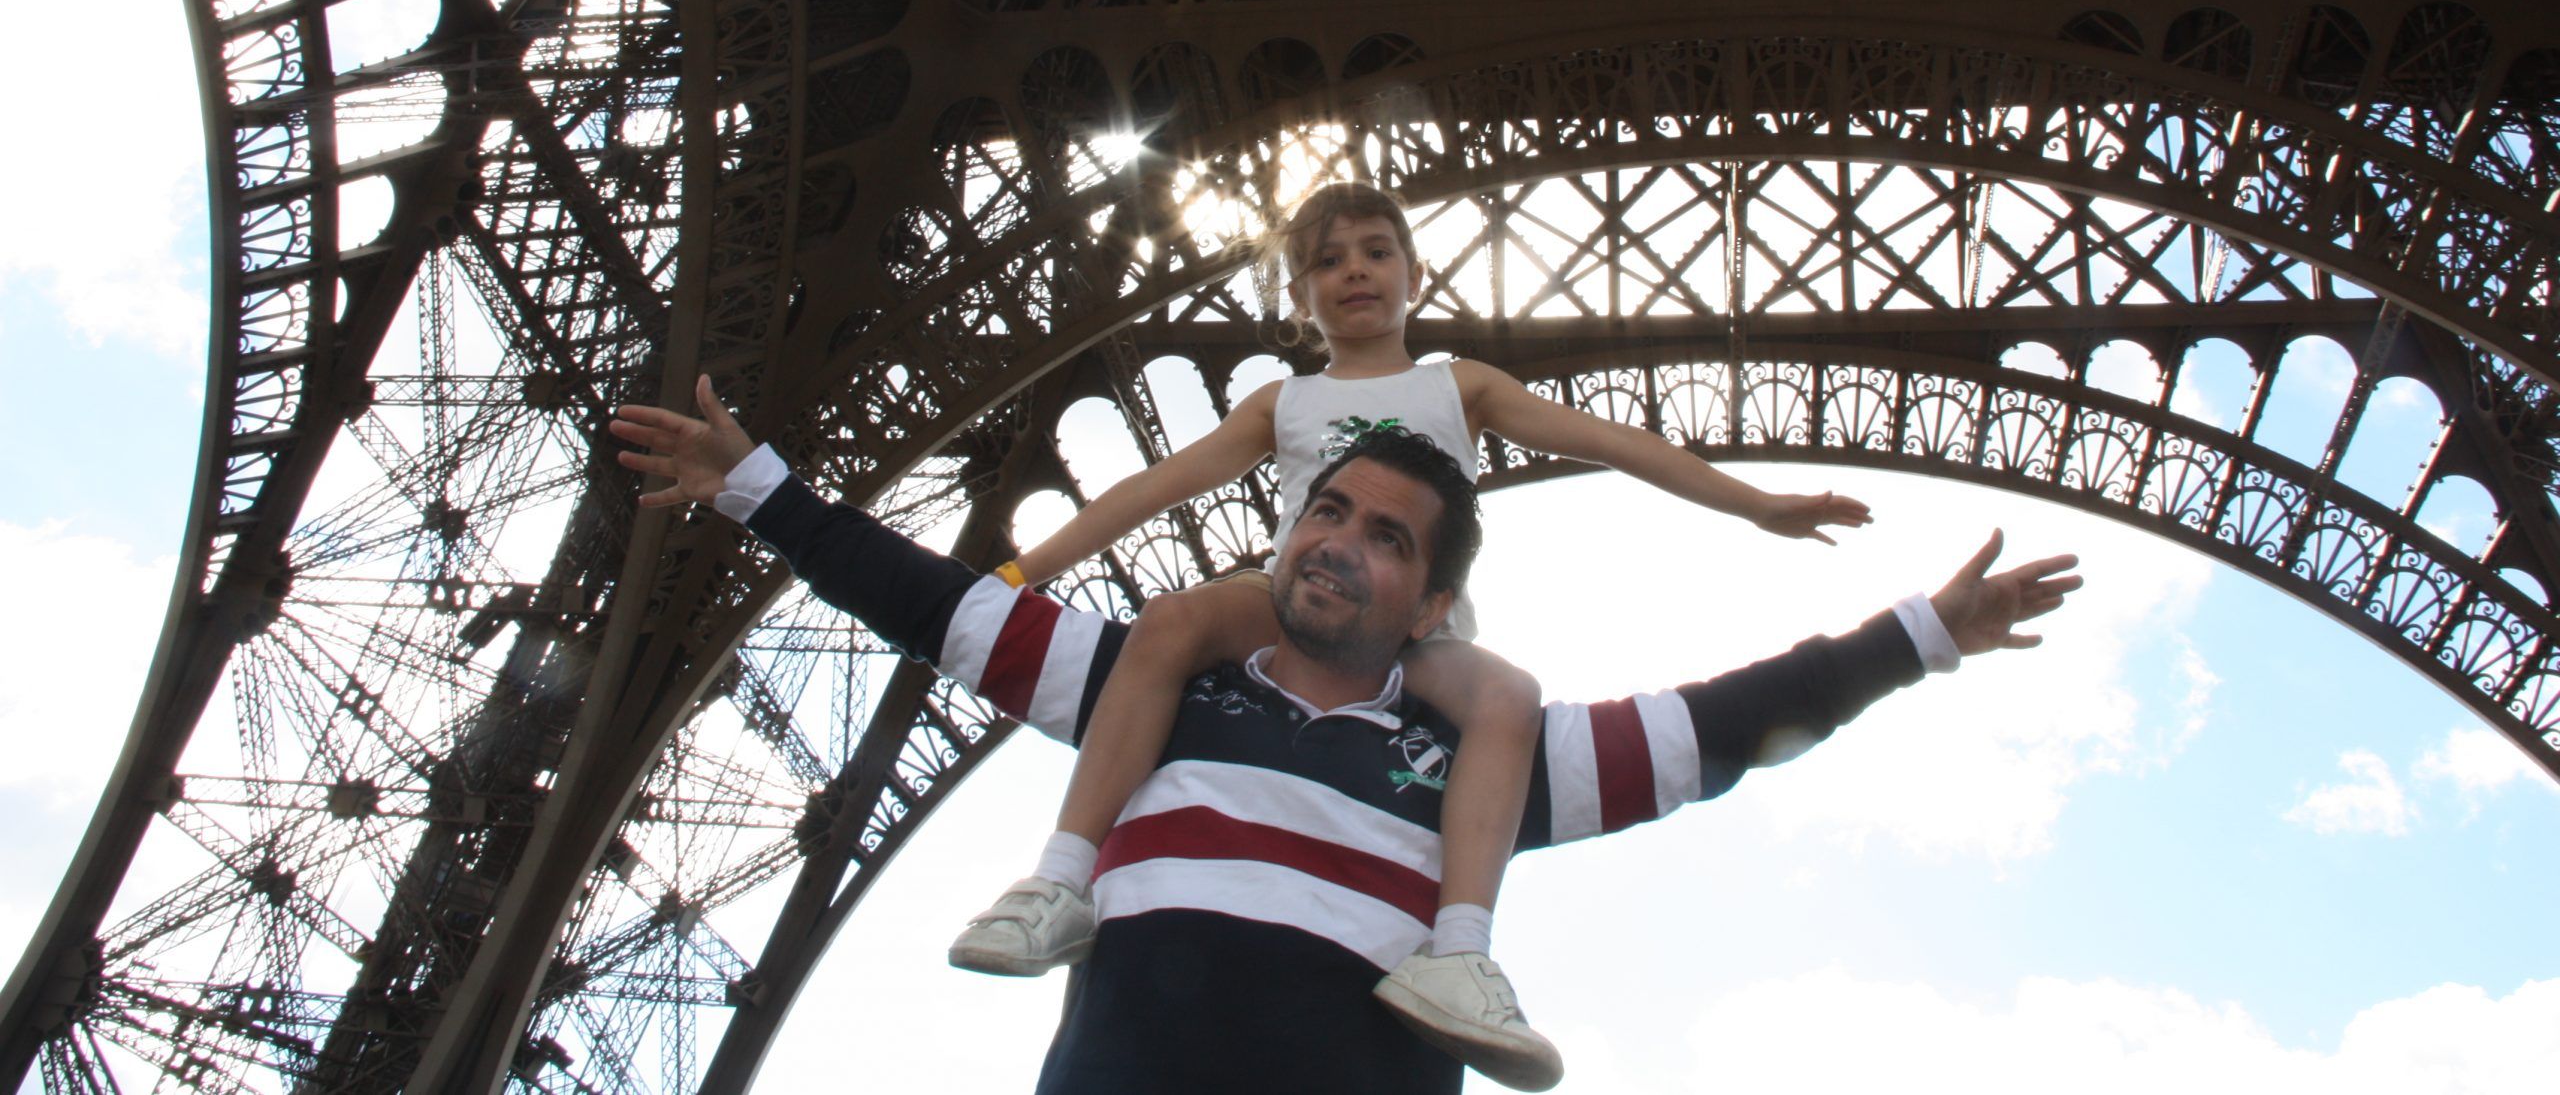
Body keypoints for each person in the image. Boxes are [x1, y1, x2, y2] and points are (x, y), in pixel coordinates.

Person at [612, 381, 2080, 1095]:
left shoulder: (1474, 770)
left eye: (1386, 536)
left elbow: (1706, 730)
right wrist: (764, 490)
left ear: (1432, 600)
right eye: (1325, 509)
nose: (1340, 543)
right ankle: (1055, 873)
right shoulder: (1157, 687)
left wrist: (1920, 632)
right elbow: (940, 604)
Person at [951, 182, 1873, 1087]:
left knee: (1508, 694)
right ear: (1300, 298)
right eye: (1327, 259)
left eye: (1375, 251)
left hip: (1411, 630)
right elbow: (1151, 489)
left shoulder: (1459, 384)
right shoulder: (1281, 403)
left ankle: (1460, 954)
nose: (1354, 270)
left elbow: (1612, 441)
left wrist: (1758, 504)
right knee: (1177, 616)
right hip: (1295, 606)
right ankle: (1062, 877)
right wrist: (1024, 571)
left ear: (1415, 272)